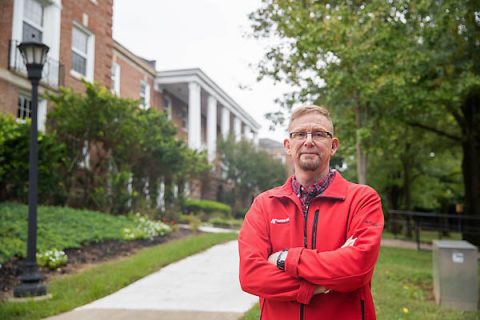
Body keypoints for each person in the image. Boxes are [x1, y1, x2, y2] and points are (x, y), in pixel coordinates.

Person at [238, 105, 384, 320]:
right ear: (288, 146)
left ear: (333, 146)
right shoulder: (264, 204)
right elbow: (251, 275)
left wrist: (285, 259)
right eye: (299, 134)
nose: (308, 141)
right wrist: (311, 288)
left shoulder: (362, 199)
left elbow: (357, 268)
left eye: (318, 134)